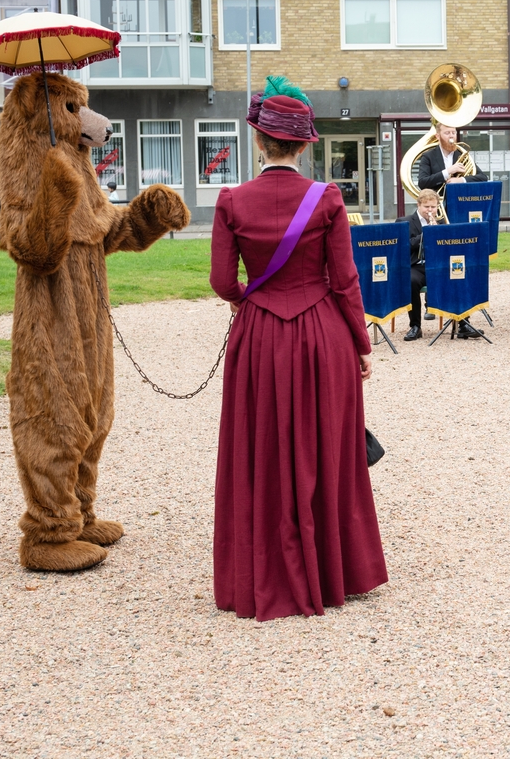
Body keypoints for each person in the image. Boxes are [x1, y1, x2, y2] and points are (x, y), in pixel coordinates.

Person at [209, 78, 388, 621]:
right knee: (326, 447)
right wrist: (360, 343)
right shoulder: (328, 198)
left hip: (260, 338)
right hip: (322, 337)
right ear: (306, 145)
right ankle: (334, 571)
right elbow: (345, 281)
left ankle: (263, 567)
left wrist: (247, 301)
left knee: (260, 449)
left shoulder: (232, 199)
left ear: (260, 143)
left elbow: (222, 280)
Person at [416, 124, 489, 338]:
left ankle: (462, 318)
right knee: (437, 259)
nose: (452, 136)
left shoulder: (462, 154)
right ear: (438, 135)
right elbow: (422, 182)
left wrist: (461, 179)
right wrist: (447, 172)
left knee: (459, 264)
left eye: (454, 132)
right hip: (436, 214)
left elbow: (482, 177)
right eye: (447, 132)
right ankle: (434, 302)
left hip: (459, 216)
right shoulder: (429, 156)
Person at [404, 189, 441, 341]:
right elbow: (406, 245)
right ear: (418, 205)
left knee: (457, 274)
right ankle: (415, 326)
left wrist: (439, 232)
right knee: (411, 281)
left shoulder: (442, 222)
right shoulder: (405, 222)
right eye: (427, 207)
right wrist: (426, 234)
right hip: (416, 265)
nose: (430, 210)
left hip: (436, 265)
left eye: (433, 207)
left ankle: (461, 322)